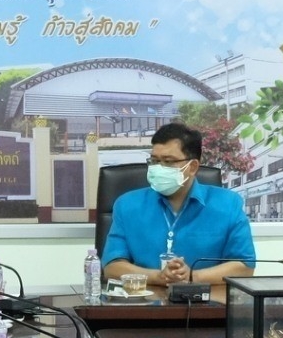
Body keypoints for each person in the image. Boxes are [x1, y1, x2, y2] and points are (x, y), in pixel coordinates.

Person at [100, 122, 255, 289]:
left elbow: (244, 267)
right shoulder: (127, 205)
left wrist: (191, 276)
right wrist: (158, 277)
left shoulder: (228, 204)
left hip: (207, 308)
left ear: (193, 167)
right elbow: (112, 267)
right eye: (154, 161)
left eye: (168, 161)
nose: (159, 168)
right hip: (142, 307)